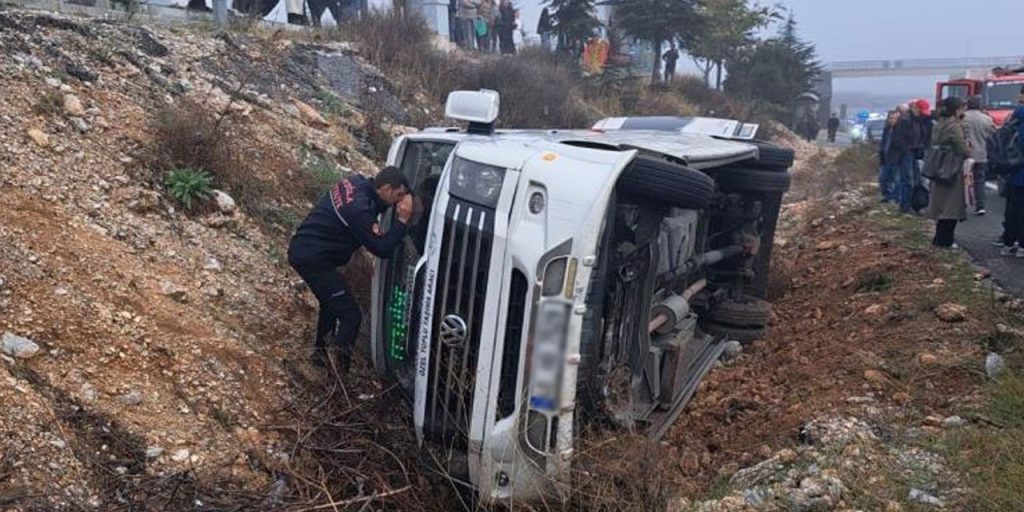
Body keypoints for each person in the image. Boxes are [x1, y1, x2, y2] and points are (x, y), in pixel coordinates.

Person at [288, 167, 413, 371]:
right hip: (314, 260)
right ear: (386, 188)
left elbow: (375, 207)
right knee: (351, 316)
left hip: (307, 248)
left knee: (331, 303)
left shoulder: (356, 183)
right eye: (398, 196)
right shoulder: (359, 210)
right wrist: (402, 220)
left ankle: (320, 356)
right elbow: (382, 249)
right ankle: (339, 375)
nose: (397, 202)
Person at [926, 97, 970, 249]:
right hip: (951, 168)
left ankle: (939, 238)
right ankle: (946, 240)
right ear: (956, 110)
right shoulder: (954, 126)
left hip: (938, 166)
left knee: (940, 204)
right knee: (952, 206)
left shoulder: (939, 124)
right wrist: (969, 150)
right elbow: (961, 148)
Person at [963, 95, 996, 216]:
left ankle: (962, 205)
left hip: (965, 154)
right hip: (981, 154)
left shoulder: (962, 118)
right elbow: (993, 134)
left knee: (962, 181)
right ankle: (980, 206)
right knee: (979, 181)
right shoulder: (986, 119)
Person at [999, 106, 1024, 256]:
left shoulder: (1013, 130)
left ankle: (1008, 242)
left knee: (1012, 211)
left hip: (1014, 176)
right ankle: (1022, 246)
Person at [878, 110, 905, 204]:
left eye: (894, 118)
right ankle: (886, 195)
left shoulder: (899, 131)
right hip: (885, 158)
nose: (892, 120)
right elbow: (883, 142)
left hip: (895, 158)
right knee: (883, 178)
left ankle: (895, 197)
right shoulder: (887, 129)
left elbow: (900, 144)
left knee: (896, 179)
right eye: (890, 118)